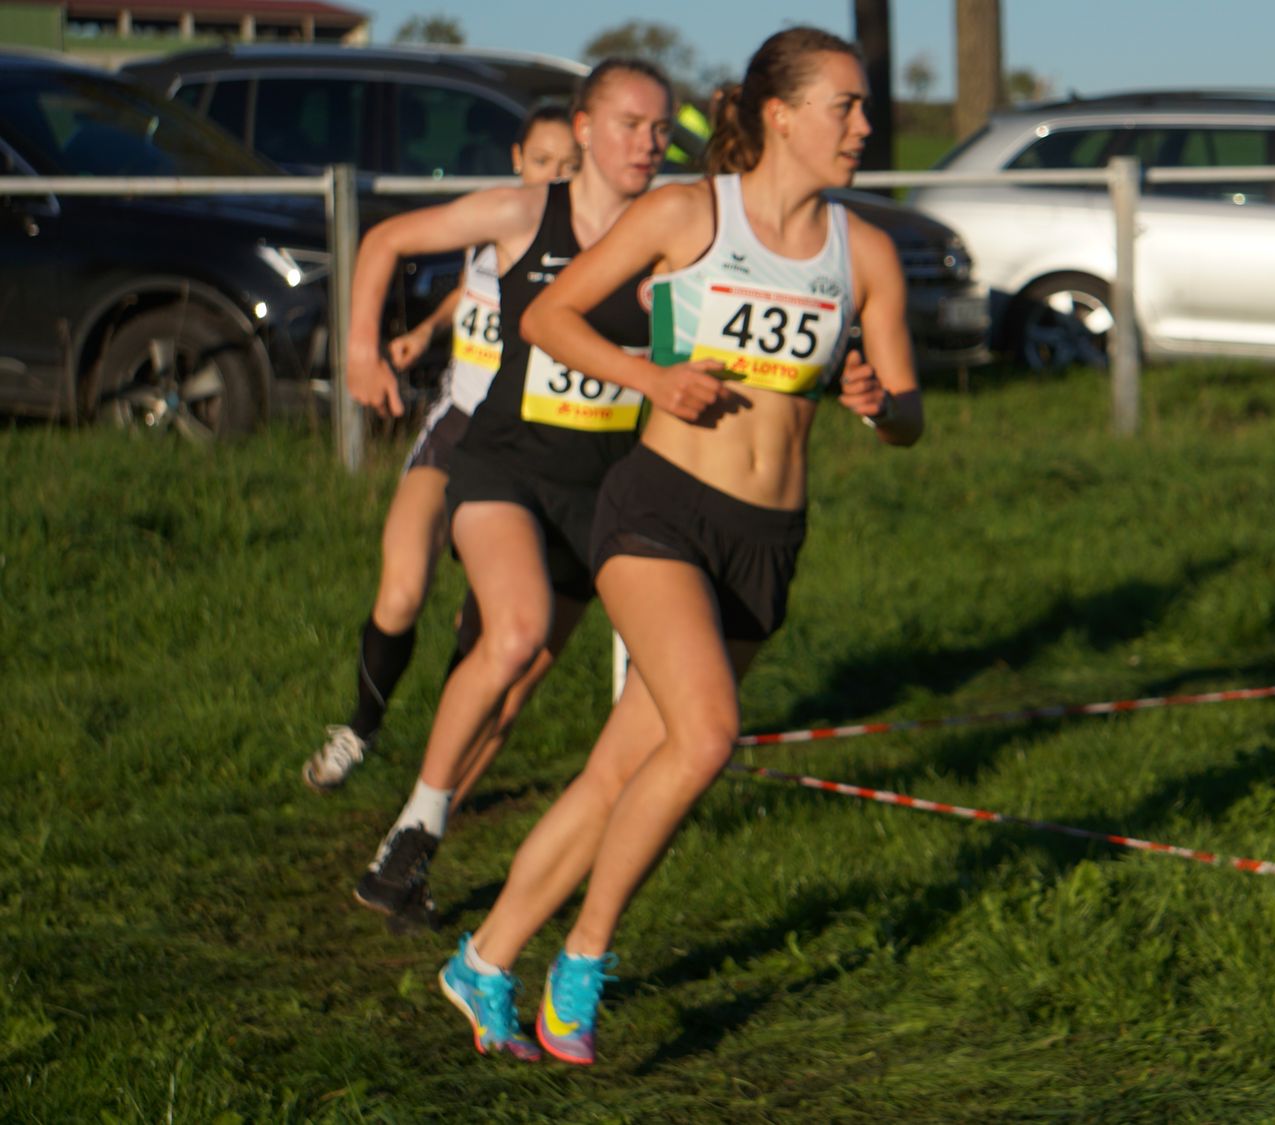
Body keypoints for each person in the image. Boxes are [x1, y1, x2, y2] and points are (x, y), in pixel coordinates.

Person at [431, 27, 923, 1065]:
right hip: (658, 510)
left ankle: (483, 957)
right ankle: (583, 962)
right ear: (781, 115)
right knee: (705, 737)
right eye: (845, 106)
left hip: (766, 539)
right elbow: (548, 317)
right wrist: (650, 378)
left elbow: (908, 415)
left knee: (621, 770)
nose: (864, 127)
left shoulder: (865, 253)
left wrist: (881, 406)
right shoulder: (688, 214)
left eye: (864, 108)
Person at [347, 59, 676, 944]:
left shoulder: (674, 231)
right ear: (585, 128)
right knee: (516, 628)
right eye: (630, 124)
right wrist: (361, 351)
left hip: (602, 489)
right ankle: (418, 818)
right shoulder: (525, 212)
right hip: (503, 464)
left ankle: (410, 847)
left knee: (516, 681)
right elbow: (383, 242)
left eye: (661, 129)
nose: (648, 143)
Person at [304, 105, 580, 796]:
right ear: (516, 158)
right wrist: (422, 332)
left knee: (485, 631)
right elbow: (467, 288)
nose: (555, 177)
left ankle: (431, 789)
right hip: (456, 429)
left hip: (533, 445)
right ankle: (360, 728)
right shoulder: (494, 219)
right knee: (400, 591)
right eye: (543, 162)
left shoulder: (592, 242)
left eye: (570, 166)